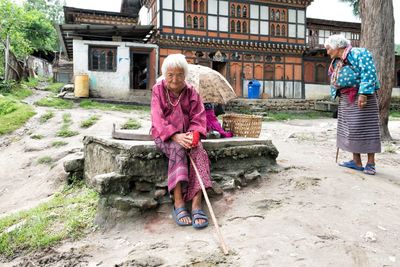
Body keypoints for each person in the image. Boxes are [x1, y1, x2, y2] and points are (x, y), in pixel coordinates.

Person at [150, 54, 211, 228]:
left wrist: (193, 135)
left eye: (179, 75)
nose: (175, 80)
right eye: (170, 75)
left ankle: (197, 204)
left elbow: (198, 117)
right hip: (165, 135)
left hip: (188, 135)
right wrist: (175, 135)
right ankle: (178, 203)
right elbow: (157, 118)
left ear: (185, 75)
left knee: (199, 151)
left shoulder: (192, 92)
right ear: (164, 75)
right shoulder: (158, 89)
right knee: (177, 149)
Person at [325, 34, 381, 175]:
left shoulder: (359, 53)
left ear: (336, 46)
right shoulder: (337, 60)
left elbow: (369, 72)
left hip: (362, 96)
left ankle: (371, 163)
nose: (327, 52)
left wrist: (364, 94)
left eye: (328, 48)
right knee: (350, 129)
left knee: (367, 128)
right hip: (346, 98)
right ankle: (356, 161)